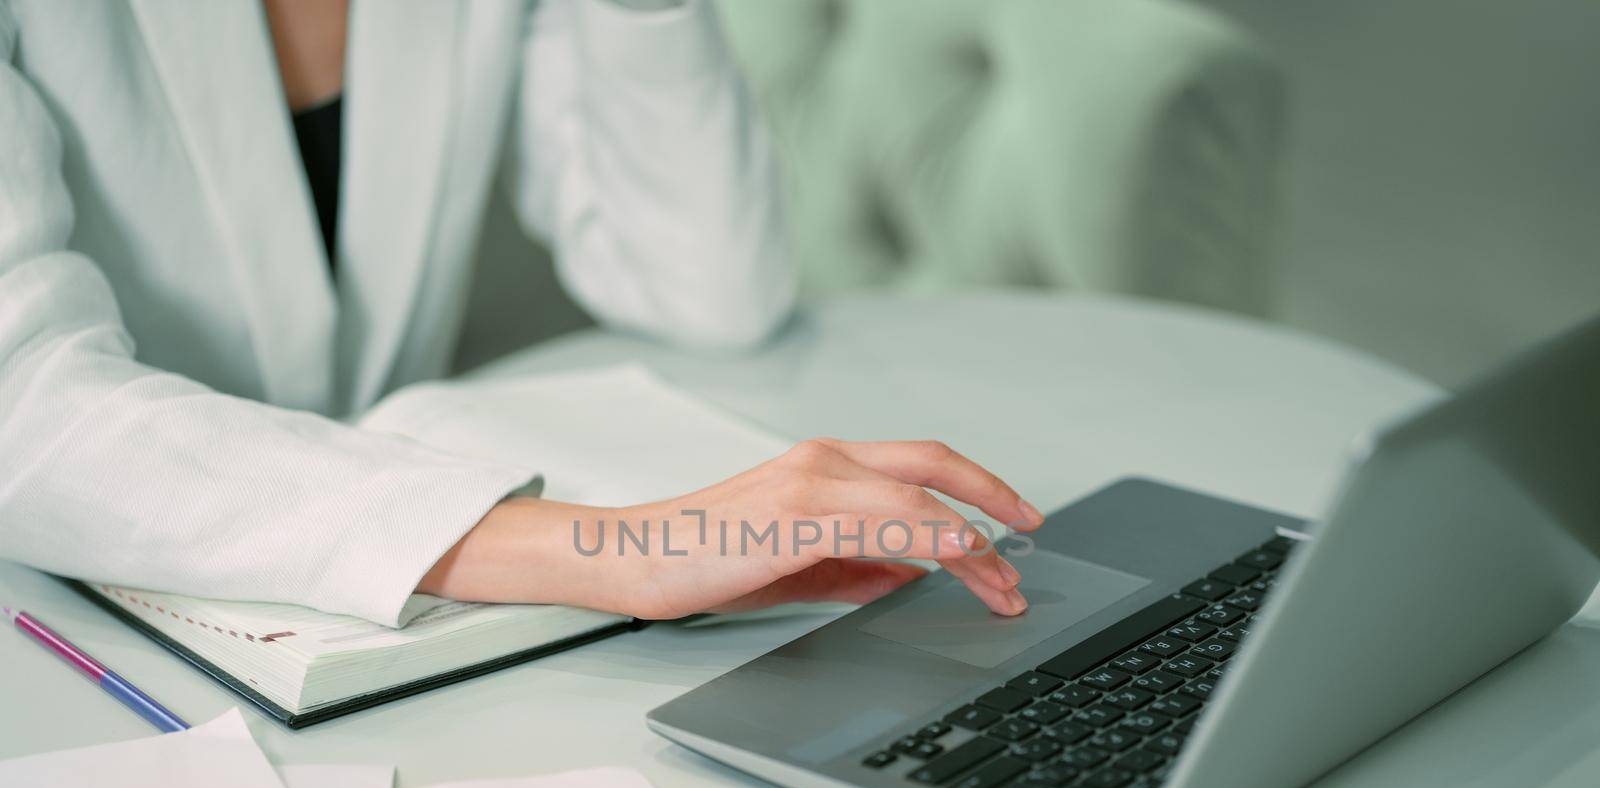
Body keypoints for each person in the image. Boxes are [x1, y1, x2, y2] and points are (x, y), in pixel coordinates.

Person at [0, 0, 1034, 627]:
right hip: (57, 625)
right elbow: (22, 403)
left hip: (376, 633)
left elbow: (707, 289)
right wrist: (615, 551)